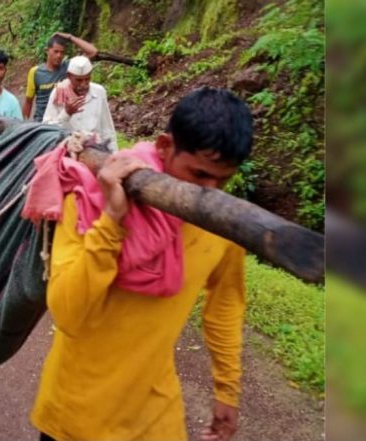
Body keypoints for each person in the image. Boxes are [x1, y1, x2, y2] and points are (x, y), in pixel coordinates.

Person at [30, 87, 254, 441]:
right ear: (164, 147)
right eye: (198, 175)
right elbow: (68, 314)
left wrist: (227, 391)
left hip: (155, 420)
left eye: (222, 180)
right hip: (75, 416)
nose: (208, 192)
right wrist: (112, 222)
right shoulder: (88, 201)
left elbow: (225, 306)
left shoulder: (221, 224)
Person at [42, 55, 117, 152]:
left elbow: (107, 129)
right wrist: (66, 114)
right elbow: (46, 130)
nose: (83, 84)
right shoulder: (59, 93)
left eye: (87, 79)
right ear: (69, 76)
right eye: (78, 80)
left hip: (95, 150)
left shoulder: (99, 92)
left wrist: (114, 155)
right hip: (68, 150)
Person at [23, 32, 98, 122]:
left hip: (64, 119)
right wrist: (24, 124)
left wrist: (70, 37)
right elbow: (28, 101)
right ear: (47, 51)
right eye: (56, 51)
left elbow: (93, 52)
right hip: (42, 122)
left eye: (62, 52)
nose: (59, 55)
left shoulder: (69, 68)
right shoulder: (35, 72)